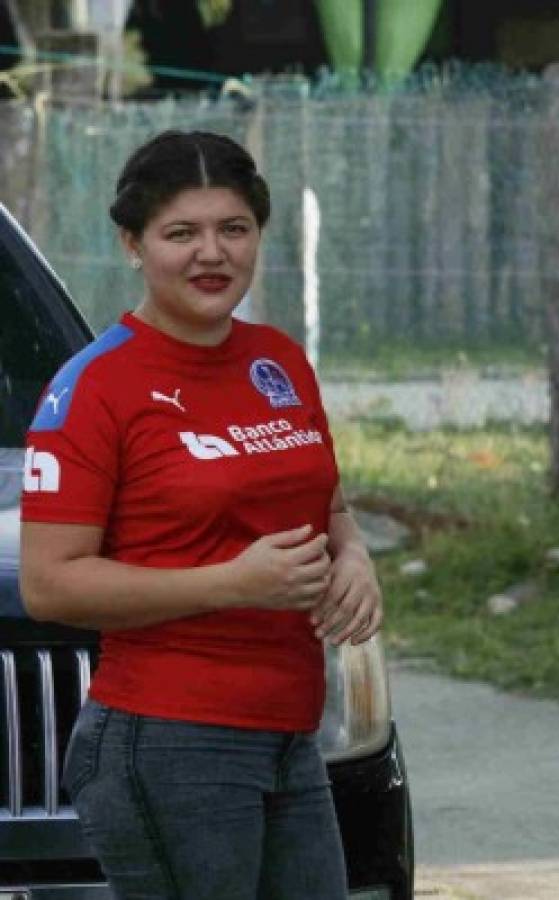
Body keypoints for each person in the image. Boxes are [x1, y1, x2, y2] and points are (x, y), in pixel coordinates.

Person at [20, 130, 382, 899]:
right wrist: (230, 583)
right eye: (181, 233)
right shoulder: (95, 386)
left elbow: (327, 502)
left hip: (290, 734)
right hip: (169, 741)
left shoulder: (277, 360)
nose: (211, 254)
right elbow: (50, 587)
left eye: (234, 229)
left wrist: (354, 557)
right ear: (132, 243)